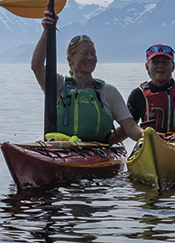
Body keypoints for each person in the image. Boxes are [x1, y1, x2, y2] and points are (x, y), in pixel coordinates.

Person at [31, 10, 142, 144]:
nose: (90, 58)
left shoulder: (108, 91)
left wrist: (147, 135)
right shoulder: (58, 85)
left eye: (93, 54)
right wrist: (47, 30)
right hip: (60, 149)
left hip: (98, 151)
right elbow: (36, 65)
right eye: (85, 54)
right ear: (70, 60)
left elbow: (131, 128)